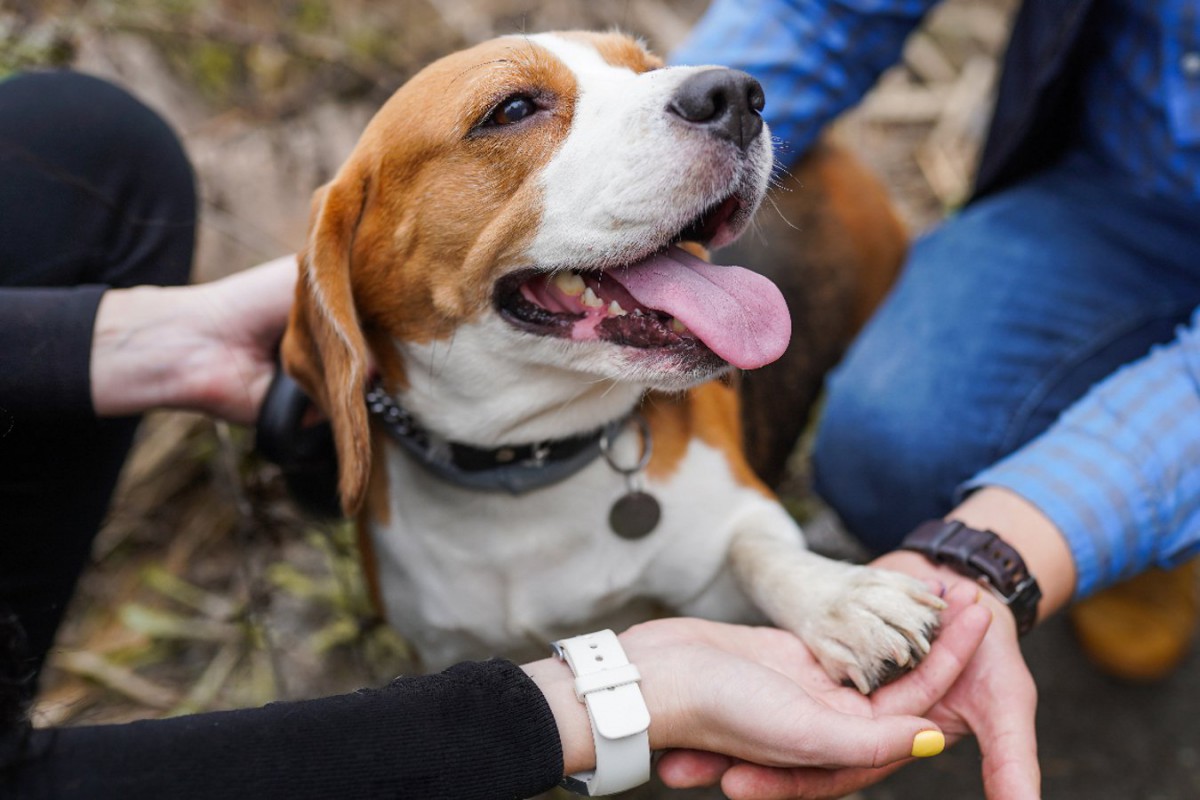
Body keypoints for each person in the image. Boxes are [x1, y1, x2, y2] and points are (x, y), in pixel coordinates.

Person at [0, 69, 999, 798]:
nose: (713, 94)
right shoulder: (353, 353)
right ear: (363, 254)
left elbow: (743, 532)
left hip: (828, 269)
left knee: (90, 140)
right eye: (517, 110)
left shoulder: (689, 353)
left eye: (636, 73)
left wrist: (798, 581)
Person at [666, 0, 1200, 797]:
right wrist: (661, 152)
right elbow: (826, 14)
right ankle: (1141, 518)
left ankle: (1156, 533)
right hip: (1115, 197)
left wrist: (996, 554)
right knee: (893, 444)